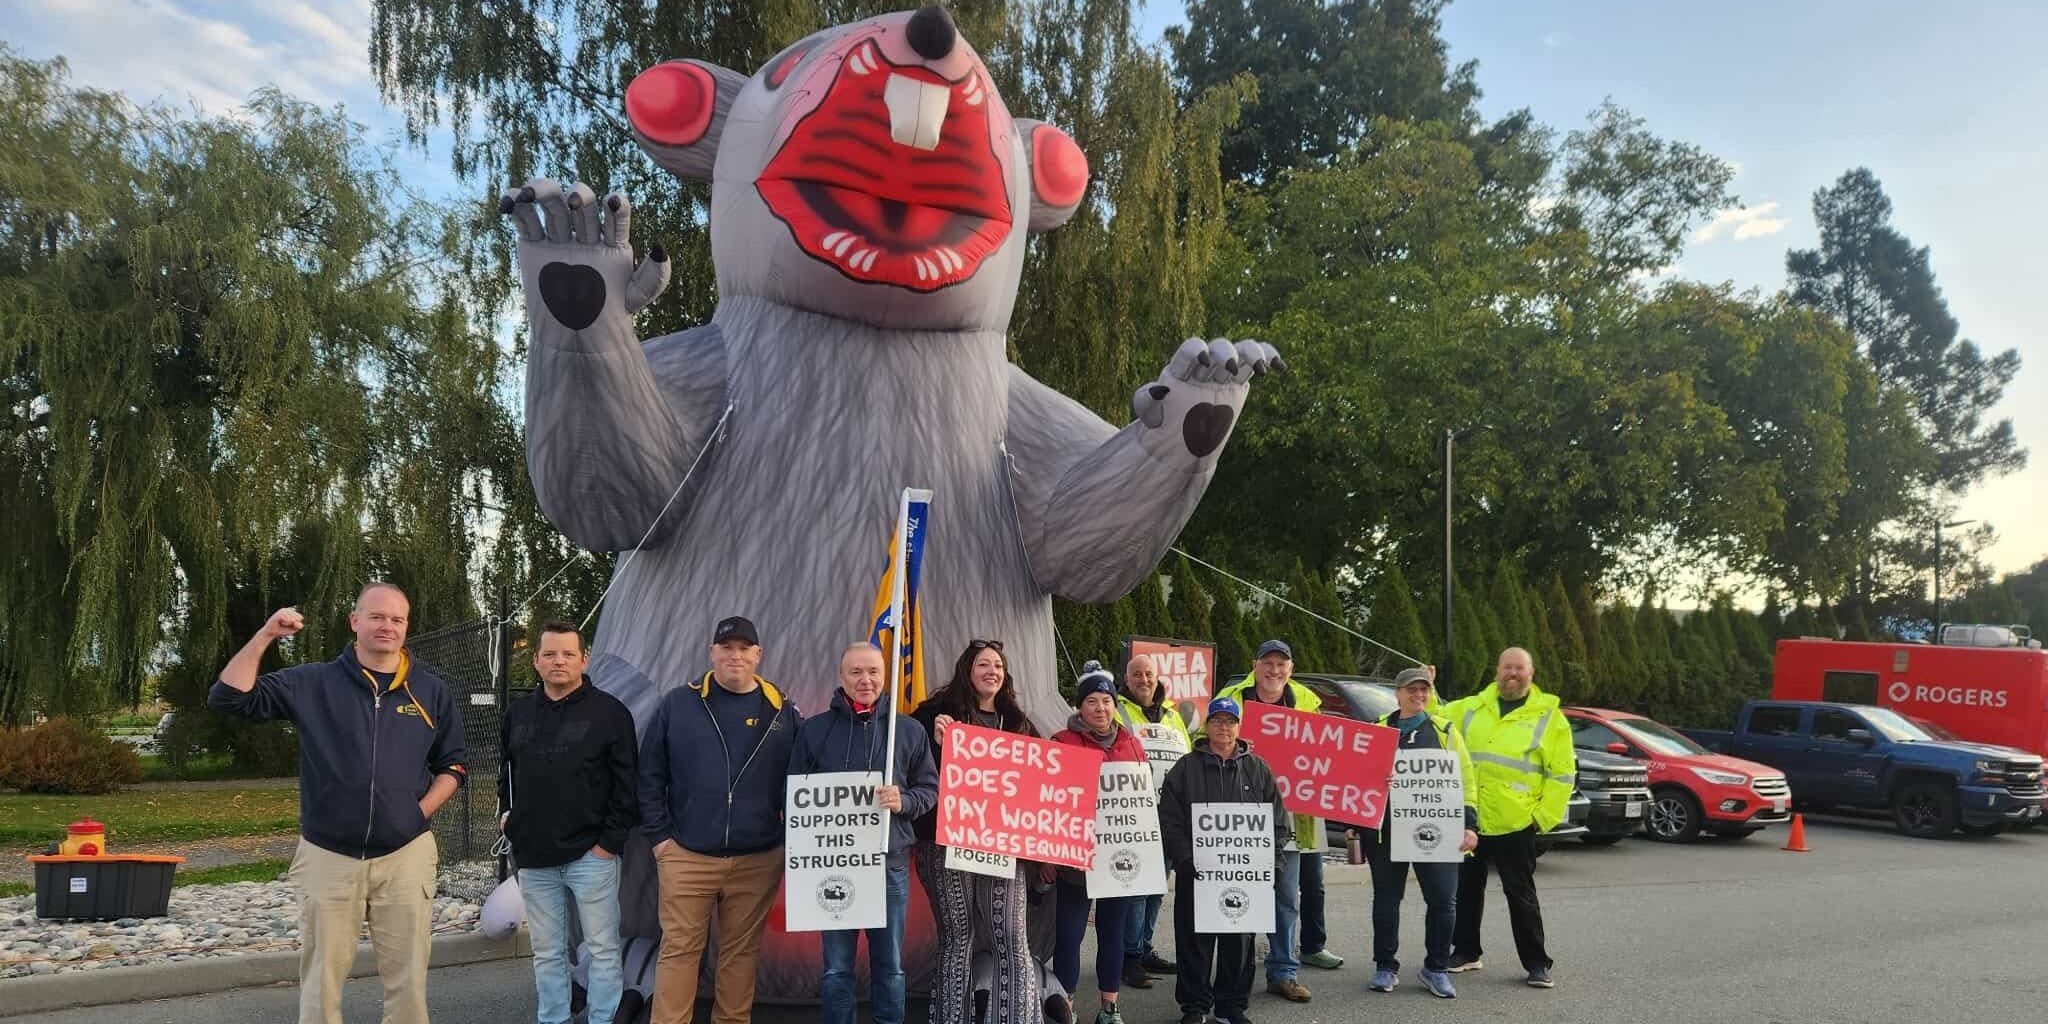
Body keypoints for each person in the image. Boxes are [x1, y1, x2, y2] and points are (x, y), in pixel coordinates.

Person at [208, 583, 467, 1024]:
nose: (387, 626)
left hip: (406, 854)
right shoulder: (313, 682)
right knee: (322, 977)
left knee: (407, 977)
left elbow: (455, 765)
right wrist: (266, 635)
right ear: (355, 622)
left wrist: (416, 813)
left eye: (397, 619)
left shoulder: (431, 690)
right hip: (328, 854)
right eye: (377, 617)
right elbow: (229, 697)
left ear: (406, 627)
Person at [639, 615, 803, 1024]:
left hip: (757, 857)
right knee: (679, 951)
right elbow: (649, 774)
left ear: (758, 655)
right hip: (687, 855)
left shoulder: (781, 711)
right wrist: (661, 838)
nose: (735, 656)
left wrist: (783, 838)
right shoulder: (679, 703)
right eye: (726, 648)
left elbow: (804, 777)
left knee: (740, 955)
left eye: (744, 648)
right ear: (712, 652)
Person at [788, 643, 940, 1024]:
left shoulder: (908, 730)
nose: (865, 680)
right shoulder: (815, 730)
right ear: (841, 678)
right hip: (833, 865)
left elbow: (930, 789)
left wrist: (903, 801)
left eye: (873, 671)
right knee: (837, 967)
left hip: (888, 863)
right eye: (856, 672)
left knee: (889, 965)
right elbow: (792, 791)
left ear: (884, 675)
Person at [499, 621, 639, 1024]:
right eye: (550, 654)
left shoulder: (611, 713)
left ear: (583, 660)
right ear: (536, 661)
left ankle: (602, 1019)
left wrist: (608, 845)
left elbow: (626, 784)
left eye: (567, 654)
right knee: (548, 952)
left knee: (602, 949)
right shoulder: (519, 713)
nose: (559, 661)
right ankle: (554, 1019)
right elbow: (506, 772)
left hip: (591, 857)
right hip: (535, 858)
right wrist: (507, 817)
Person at [910, 639, 1041, 1024]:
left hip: (1003, 845)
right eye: (984, 664)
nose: (992, 671)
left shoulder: (1018, 723)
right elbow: (912, 772)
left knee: (1013, 940)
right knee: (958, 939)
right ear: (967, 670)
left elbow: (1040, 784)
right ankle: (950, 1019)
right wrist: (934, 743)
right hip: (946, 844)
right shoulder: (934, 715)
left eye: (998, 666)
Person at [1436, 647, 1575, 988]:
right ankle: (1466, 951)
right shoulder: (1470, 707)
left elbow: (1562, 774)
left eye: (1520, 668)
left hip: (1516, 822)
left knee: (1521, 895)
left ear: (1532, 672)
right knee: (1467, 890)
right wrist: (1427, 682)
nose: (1513, 674)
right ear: (1497, 671)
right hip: (1471, 819)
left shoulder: (1550, 717)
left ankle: (1537, 963)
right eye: (1507, 668)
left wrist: (1542, 818)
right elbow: (1432, 714)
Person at [1214, 639, 1338, 1004]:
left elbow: (1332, 757)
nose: (1274, 670)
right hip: (1241, 818)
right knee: (1245, 894)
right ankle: (1237, 971)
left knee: (1287, 897)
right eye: (1267, 663)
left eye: (1281, 664)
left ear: (1291, 668)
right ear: (1255, 665)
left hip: (1293, 818)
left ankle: (1283, 971)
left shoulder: (1307, 704)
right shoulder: (1232, 700)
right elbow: (1208, 742)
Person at [1159, 697, 1289, 1024]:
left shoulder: (1257, 768)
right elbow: (1169, 818)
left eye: (1230, 721)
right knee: (1194, 943)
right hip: (1197, 873)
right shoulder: (1186, 767)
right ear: (1208, 725)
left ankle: (1231, 1007)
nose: (1224, 727)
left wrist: (1272, 862)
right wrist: (1184, 858)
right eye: (1217, 720)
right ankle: (1195, 1007)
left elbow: (1277, 821)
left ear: (1238, 726)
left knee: (1239, 946)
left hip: (1244, 877)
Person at [1363, 666, 1478, 999]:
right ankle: (1385, 965)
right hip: (1387, 831)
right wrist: (1376, 784)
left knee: (1444, 901)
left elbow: (1466, 781)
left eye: (1424, 690)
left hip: (1437, 830)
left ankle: (1436, 968)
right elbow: (1359, 777)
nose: (1418, 696)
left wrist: (1470, 825)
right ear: (1397, 693)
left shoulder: (1446, 731)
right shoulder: (1378, 729)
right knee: (1386, 900)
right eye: (1411, 690)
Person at [1050, 664, 1148, 1024]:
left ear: (1115, 704)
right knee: (1069, 936)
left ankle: (1110, 1007)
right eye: (1091, 701)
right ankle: (1066, 1008)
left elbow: (1142, 802)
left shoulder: (1132, 744)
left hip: (1118, 859)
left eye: (1107, 700)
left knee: (1113, 934)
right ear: (1080, 707)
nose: (1100, 708)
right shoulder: (1061, 742)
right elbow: (1049, 799)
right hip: (1076, 860)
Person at [1116, 654, 1188, 989]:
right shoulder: (1117, 710)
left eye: (1149, 674)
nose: (1143, 680)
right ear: (1126, 679)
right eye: (1136, 674)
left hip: (1170, 815)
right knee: (1136, 889)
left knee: (1157, 888)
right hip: (1135, 814)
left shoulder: (1173, 716)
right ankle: (1128, 956)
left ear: (1157, 678)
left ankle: (1143, 948)